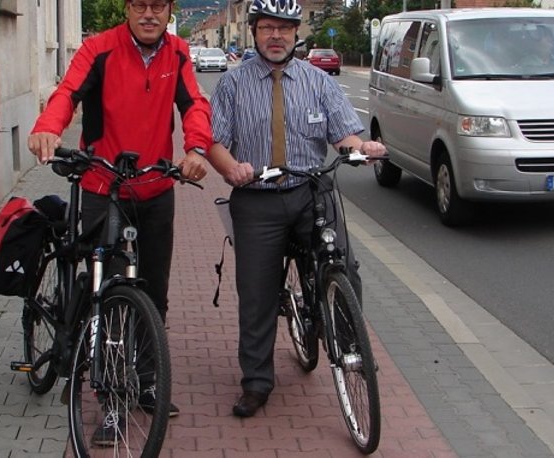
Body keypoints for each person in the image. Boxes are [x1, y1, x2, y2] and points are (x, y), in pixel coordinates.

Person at [27, 0, 212, 444]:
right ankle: (111, 399)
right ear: (128, 9)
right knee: (108, 296)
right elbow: (67, 93)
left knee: (153, 293)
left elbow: (195, 105)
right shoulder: (100, 49)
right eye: (140, 4)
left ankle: (147, 382)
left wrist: (196, 148)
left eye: (158, 5)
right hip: (102, 187)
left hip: (154, 188)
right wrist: (48, 127)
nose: (149, 14)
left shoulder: (179, 52)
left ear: (170, 11)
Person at [205, 0, 387, 418]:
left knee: (343, 264)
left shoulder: (318, 82)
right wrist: (231, 168)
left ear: (295, 32)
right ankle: (256, 382)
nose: (276, 36)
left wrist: (363, 148)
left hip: (310, 191)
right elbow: (213, 141)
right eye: (267, 27)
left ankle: (348, 344)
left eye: (284, 28)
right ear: (254, 31)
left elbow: (345, 135)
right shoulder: (233, 85)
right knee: (256, 294)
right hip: (256, 198)